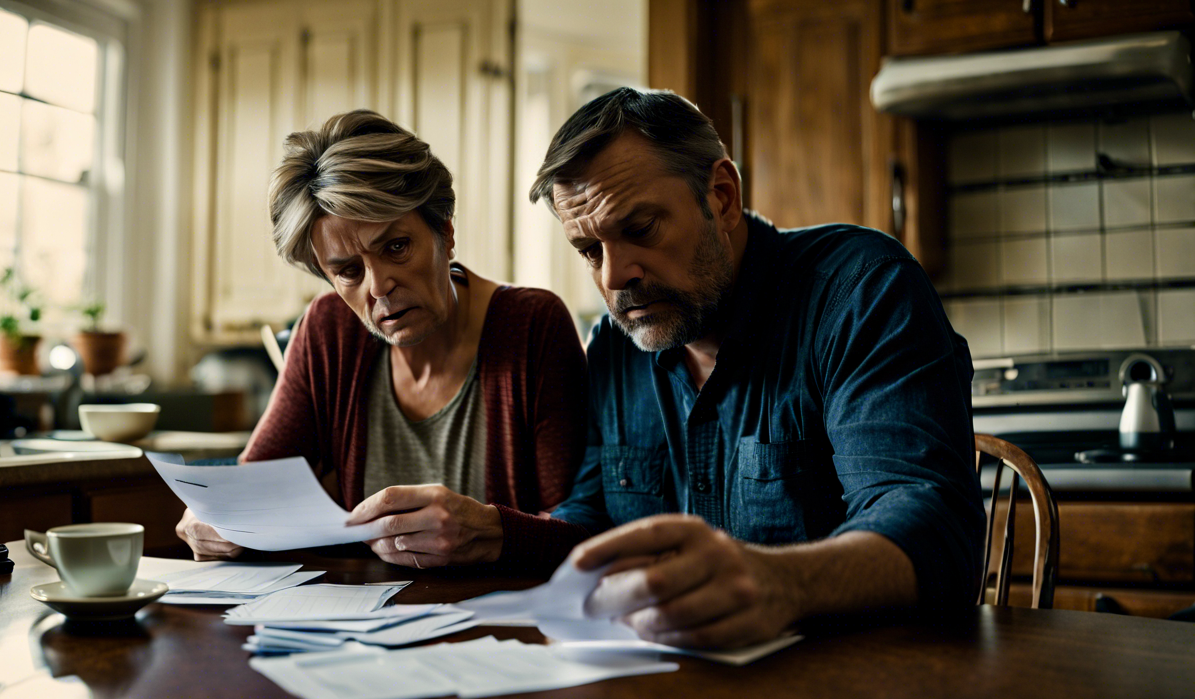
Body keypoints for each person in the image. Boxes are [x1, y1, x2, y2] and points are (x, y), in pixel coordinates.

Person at [512, 87, 984, 650]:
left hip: (862, 685)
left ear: (722, 196)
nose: (614, 277)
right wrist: (493, 531)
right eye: (590, 250)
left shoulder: (860, 292)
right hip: (670, 689)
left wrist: (781, 583)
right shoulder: (615, 347)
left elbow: (931, 525)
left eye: (640, 229)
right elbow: (591, 513)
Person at [175, 110, 588, 567]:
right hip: (365, 623)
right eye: (348, 271)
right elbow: (256, 488)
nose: (378, 287)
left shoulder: (532, 325)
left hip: (509, 624)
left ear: (445, 232)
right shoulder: (329, 330)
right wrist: (216, 517)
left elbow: (583, 532)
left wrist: (493, 531)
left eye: (396, 247)